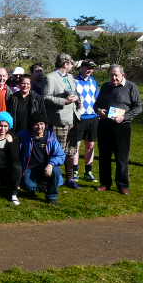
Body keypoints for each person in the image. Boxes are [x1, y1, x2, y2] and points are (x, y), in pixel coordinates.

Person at [94, 65, 143, 195]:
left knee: (122, 157)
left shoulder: (131, 87)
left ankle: (122, 185)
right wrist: (99, 111)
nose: (113, 78)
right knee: (104, 156)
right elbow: (96, 105)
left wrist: (124, 117)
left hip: (122, 127)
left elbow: (138, 107)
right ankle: (105, 183)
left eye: (116, 75)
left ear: (123, 75)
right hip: (104, 125)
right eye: (111, 75)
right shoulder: (105, 87)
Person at [44, 53, 80, 189]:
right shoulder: (50, 78)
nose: (72, 66)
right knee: (58, 151)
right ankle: (54, 179)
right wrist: (64, 101)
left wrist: (76, 98)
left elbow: (74, 92)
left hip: (74, 119)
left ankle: (70, 179)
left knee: (71, 150)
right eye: (71, 63)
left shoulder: (71, 77)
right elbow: (45, 97)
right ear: (65, 64)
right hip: (59, 120)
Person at [18, 113, 65, 204]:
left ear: (45, 125)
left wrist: (51, 164)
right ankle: (43, 186)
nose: (39, 127)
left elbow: (61, 155)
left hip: (46, 167)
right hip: (30, 168)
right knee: (29, 186)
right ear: (32, 125)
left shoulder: (51, 138)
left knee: (56, 170)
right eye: (36, 124)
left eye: (42, 124)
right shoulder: (25, 136)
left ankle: (52, 196)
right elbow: (14, 136)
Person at [73, 59, 100, 182]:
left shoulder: (94, 82)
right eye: (88, 67)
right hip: (79, 118)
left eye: (92, 68)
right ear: (81, 68)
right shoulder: (74, 81)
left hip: (93, 118)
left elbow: (97, 99)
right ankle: (75, 171)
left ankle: (88, 171)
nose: (90, 70)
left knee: (90, 145)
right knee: (76, 145)